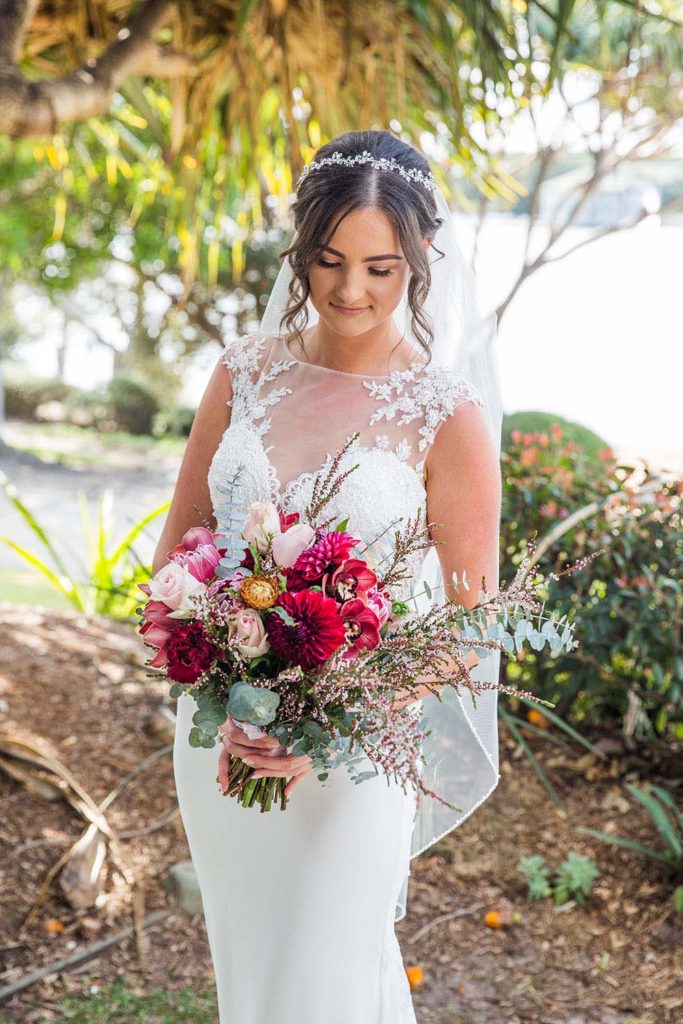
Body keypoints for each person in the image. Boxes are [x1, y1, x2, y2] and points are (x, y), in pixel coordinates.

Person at [153, 129, 503, 1024]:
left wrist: (328, 724)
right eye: (329, 260)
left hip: (349, 760)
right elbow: (181, 547)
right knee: (256, 980)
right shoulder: (243, 371)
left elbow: (471, 627)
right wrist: (212, 672)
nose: (351, 290)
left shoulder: (446, 413)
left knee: (326, 983)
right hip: (225, 743)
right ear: (300, 249)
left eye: (382, 268)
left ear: (421, 258)